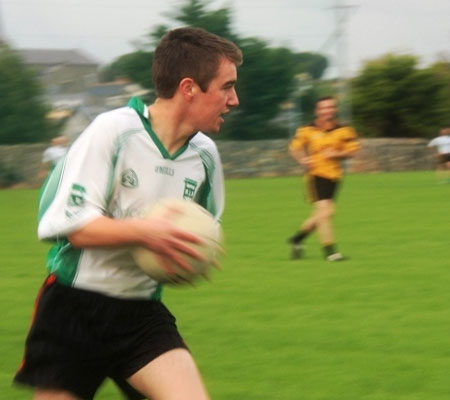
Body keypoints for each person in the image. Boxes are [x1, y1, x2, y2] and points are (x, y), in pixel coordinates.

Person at [14, 27, 242, 400]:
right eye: (226, 86)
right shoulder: (113, 131)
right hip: (74, 308)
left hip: (141, 314)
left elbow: (203, 229)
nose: (234, 100)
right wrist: (149, 234)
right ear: (189, 88)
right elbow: (75, 227)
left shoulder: (205, 156)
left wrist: (186, 256)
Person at [287, 96, 360, 262]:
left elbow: (353, 150)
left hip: (334, 177)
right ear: (317, 111)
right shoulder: (307, 130)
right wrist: (302, 159)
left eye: (330, 107)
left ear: (334, 110)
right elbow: (294, 148)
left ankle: (297, 239)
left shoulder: (344, 130)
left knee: (322, 214)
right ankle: (331, 252)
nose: (327, 111)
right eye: (323, 108)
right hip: (315, 176)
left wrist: (337, 154)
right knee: (325, 213)